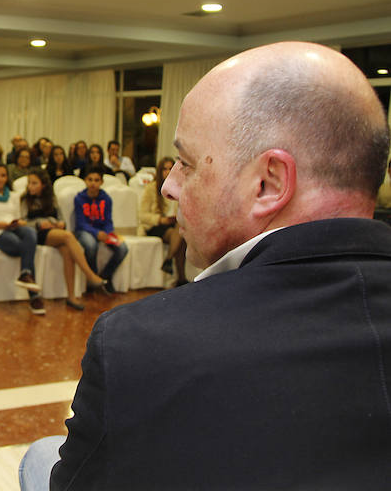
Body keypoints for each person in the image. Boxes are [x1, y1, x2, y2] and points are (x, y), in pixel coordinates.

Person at [20, 41, 391, 491]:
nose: (169, 186)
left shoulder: (141, 343)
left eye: (186, 163)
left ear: (268, 182)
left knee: (40, 457)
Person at [21, 169, 106, 310]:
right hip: (36, 233)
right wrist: (39, 224)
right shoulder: (25, 200)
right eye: (29, 183)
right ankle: (90, 275)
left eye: (34, 183)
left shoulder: (51, 199)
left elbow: (61, 219)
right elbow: (22, 222)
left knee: (67, 251)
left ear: (43, 185)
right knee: (68, 236)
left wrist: (59, 223)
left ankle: (71, 297)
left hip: (53, 231)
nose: (30, 186)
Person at [0, 162, 45, 315]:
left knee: (31, 233)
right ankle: (34, 295)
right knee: (20, 245)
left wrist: (18, 223)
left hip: (13, 227)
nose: (0, 179)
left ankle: (26, 274)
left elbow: (18, 217)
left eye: (3, 175)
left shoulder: (14, 196)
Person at [72, 165, 126, 295]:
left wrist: (107, 233)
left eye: (96, 180)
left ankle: (106, 276)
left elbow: (108, 221)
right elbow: (81, 223)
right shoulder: (79, 198)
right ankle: (93, 278)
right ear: (85, 181)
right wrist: (96, 234)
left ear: (101, 182)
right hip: (84, 231)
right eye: (90, 180)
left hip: (103, 231)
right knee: (91, 245)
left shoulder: (106, 198)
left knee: (123, 248)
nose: (93, 183)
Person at [140, 156, 188, 285]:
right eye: (164, 169)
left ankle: (170, 260)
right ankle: (181, 278)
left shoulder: (180, 187)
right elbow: (142, 215)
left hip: (173, 224)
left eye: (170, 168)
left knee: (180, 233)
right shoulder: (151, 188)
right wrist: (161, 220)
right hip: (156, 225)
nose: (167, 172)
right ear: (160, 171)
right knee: (179, 236)